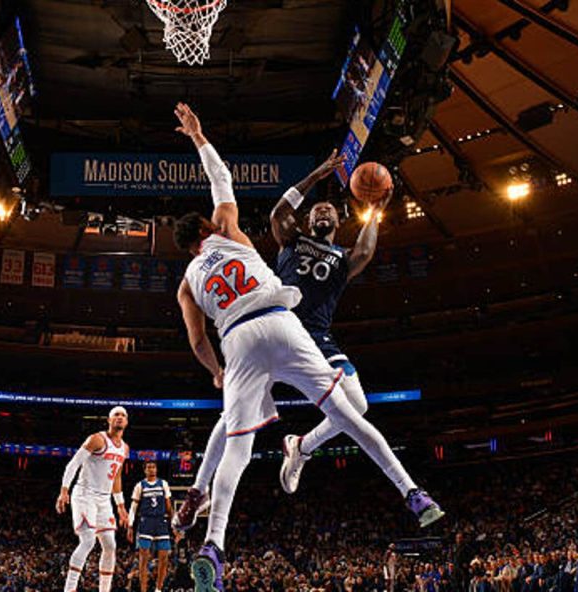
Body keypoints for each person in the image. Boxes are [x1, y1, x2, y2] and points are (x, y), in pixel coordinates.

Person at [167, 102, 444, 592]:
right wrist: (198, 135)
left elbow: (195, 338)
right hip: (282, 320)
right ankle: (412, 492)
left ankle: (214, 540)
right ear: (208, 230)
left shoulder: (187, 284)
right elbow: (224, 181)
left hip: (238, 340)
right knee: (350, 415)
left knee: (238, 442)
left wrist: (215, 371)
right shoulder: (232, 230)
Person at [270, 151, 440, 526]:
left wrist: (377, 209)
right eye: (317, 211)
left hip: (319, 338)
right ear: (308, 219)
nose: (323, 212)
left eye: (329, 211)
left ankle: (302, 445)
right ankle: (408, 489)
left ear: (337, 221)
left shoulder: (343, 257)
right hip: (283, 334)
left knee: (358, 406)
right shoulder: (291, 240)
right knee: (241, 412)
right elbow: (279, 212)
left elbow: (365, 250)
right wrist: (314, 174)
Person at [56, 407, 131, 592]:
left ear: (127, 421)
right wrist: (64, 490)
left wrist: (121, 506)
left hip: (104, 500)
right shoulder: (97, 439)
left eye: (123, 415)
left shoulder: (125, 448)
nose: (120, 418)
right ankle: (70, 588)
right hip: (85, 494)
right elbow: (73, 464)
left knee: (110, 545)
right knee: (88, 540)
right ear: (109, 420)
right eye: (116, 415)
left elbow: (117, 478)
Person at [127, 461, 174, 592]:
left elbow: (168, 505)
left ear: (157, 469)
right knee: (143, 558)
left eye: (153, 467)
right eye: (149, 467)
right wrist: (130, 526)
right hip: (146, 522)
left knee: (164, 557)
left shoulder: (163, 484)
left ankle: (158, 589)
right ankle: (143, 589)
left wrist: (174, 524)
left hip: (161, 521)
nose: (151, 469)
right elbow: (133, 507)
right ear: (145, 470)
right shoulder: (140, 485)